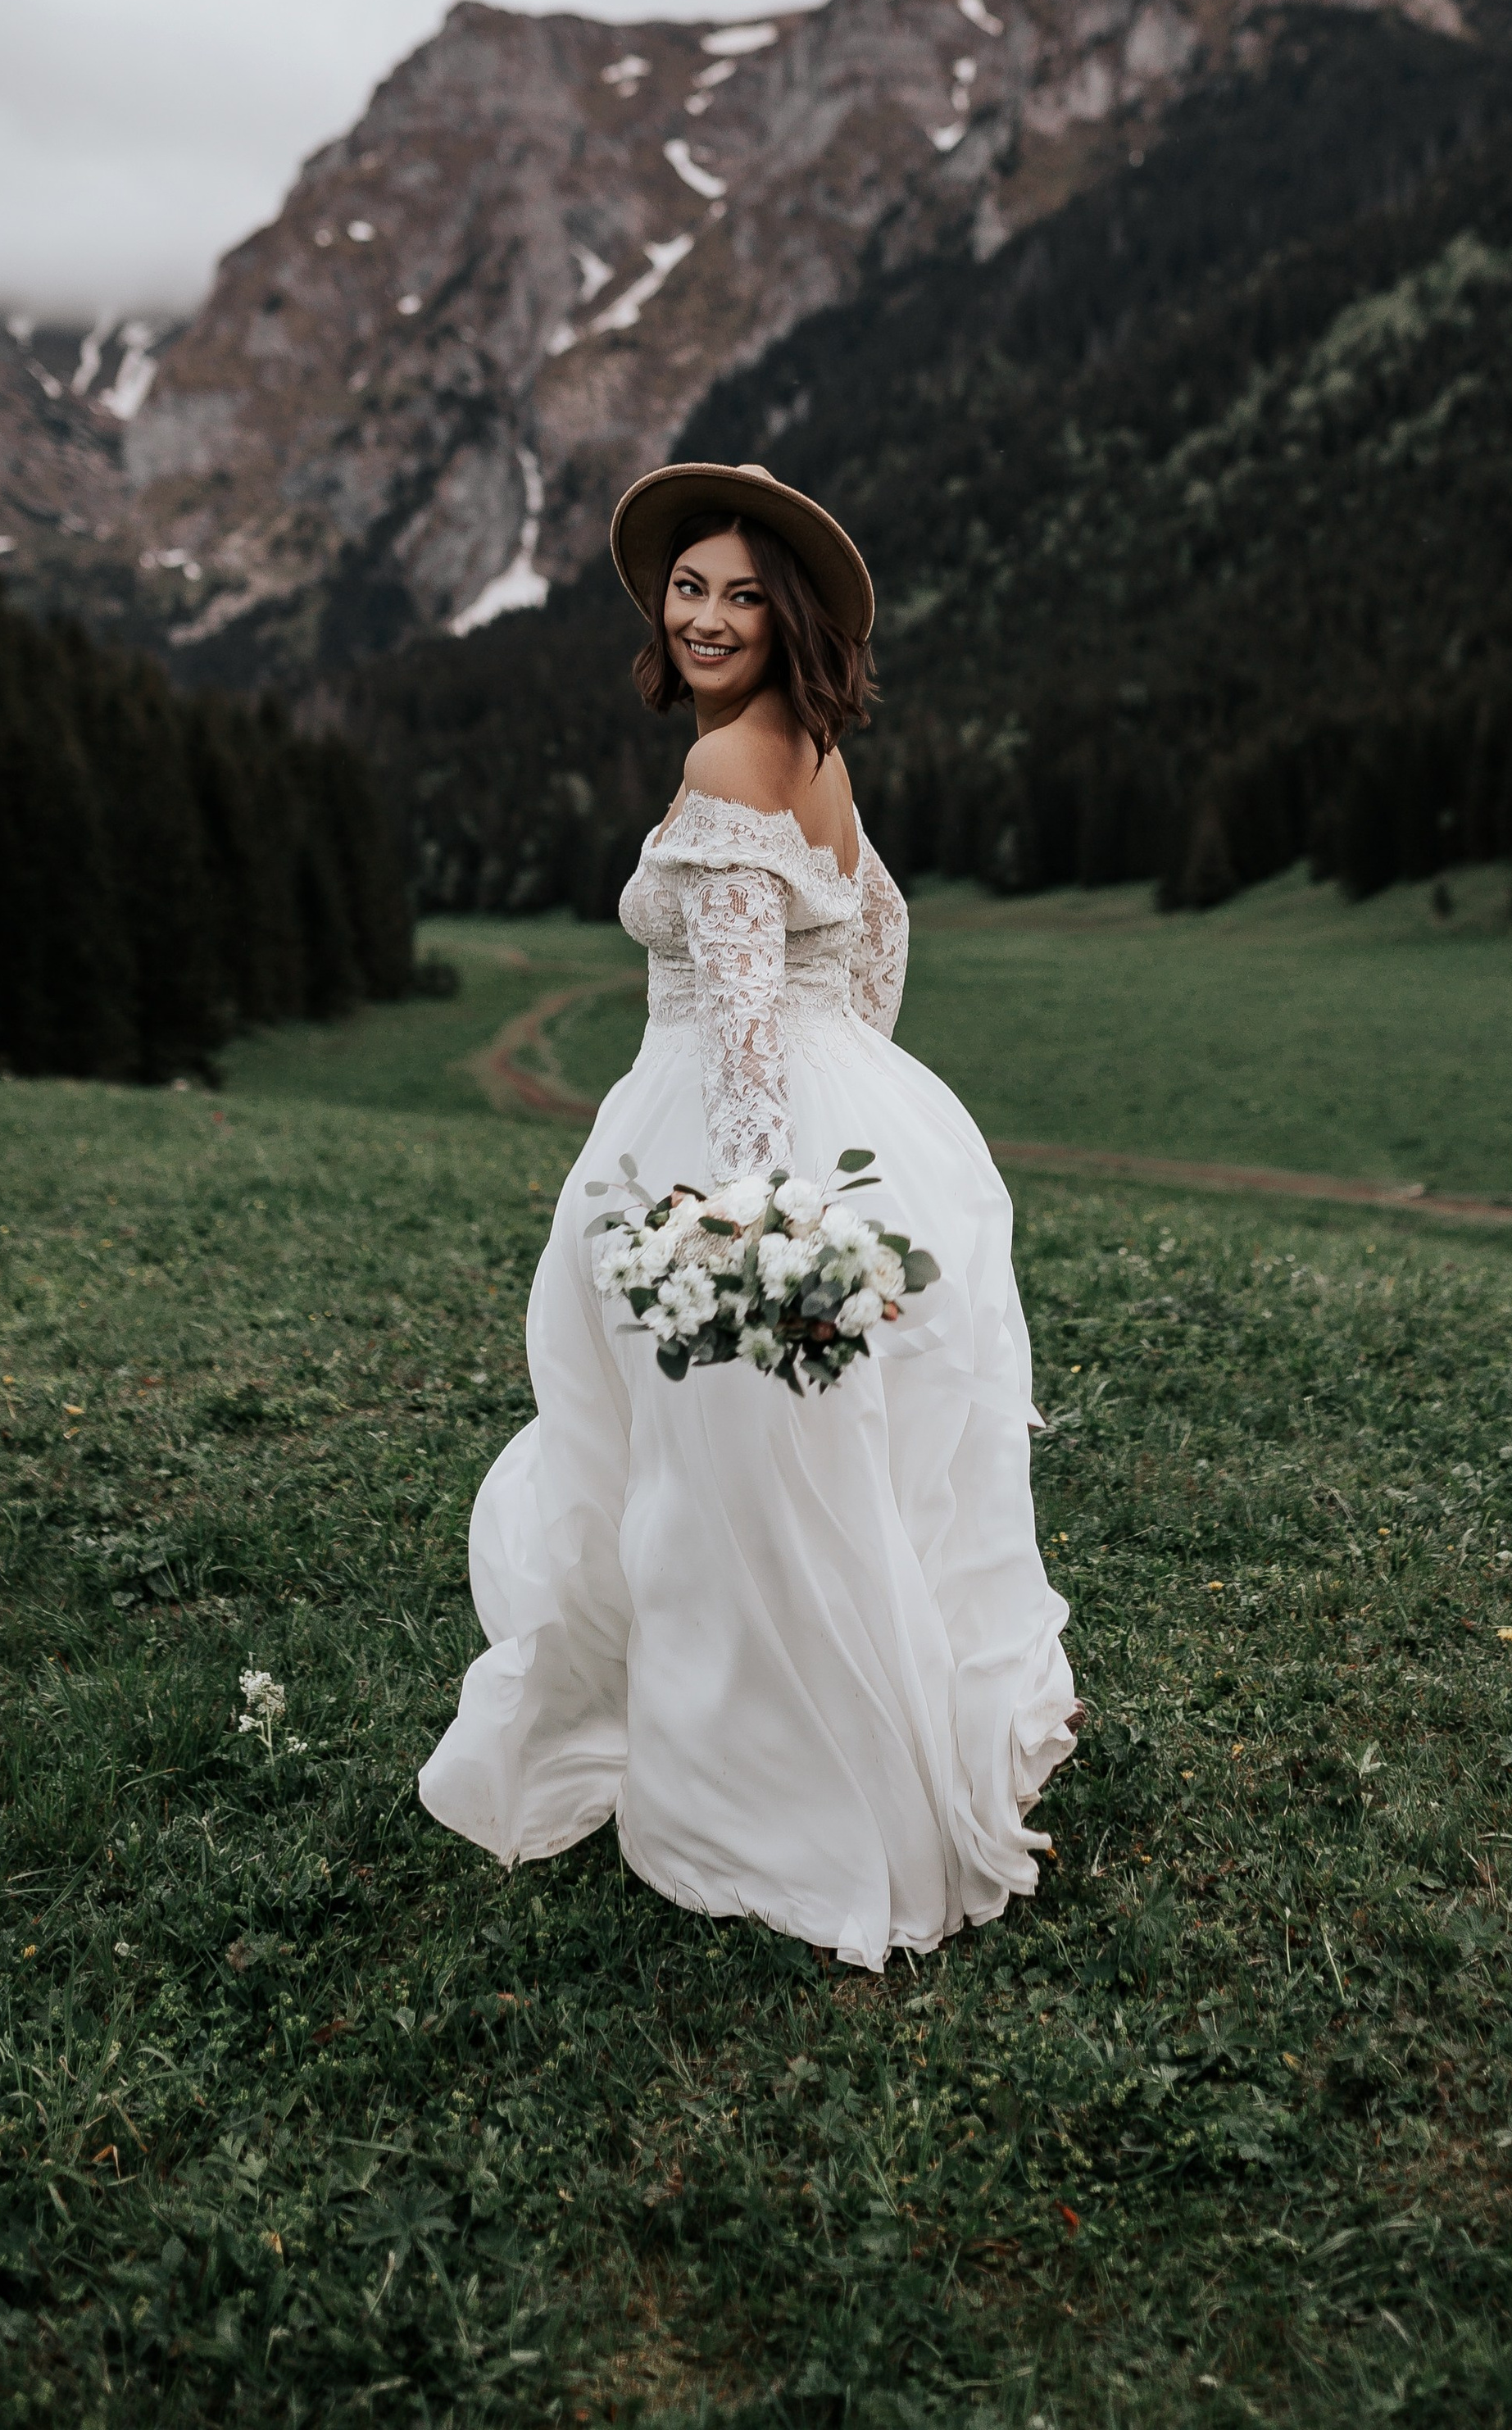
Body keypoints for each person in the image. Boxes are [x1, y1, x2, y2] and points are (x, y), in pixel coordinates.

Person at [418, 461, 1079, 1968]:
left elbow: (737, 1033)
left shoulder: (730, 772)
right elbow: (879, 930)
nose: (707, 616)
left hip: (732, 1145)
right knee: (830, 1467)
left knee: (727, 1465)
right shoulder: (816, 758)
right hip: (852, 1113)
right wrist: (875, 1103)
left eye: (741, 595)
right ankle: (858, 1745)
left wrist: (756, 1219)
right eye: (690, 587)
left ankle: (766, 1801)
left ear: (791, 619)